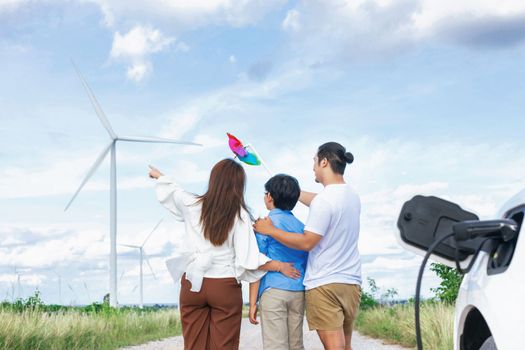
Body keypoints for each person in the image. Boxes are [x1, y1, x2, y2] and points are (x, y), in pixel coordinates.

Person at [149, 159, 300, 350]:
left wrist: (159, 176)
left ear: (213, 180)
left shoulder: (191, 204)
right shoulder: (239, 215)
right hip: (224, 286)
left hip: (192, 284)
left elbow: (174, 192)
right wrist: (279, 265)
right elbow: (249, 258)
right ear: (239, 186)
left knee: (193, 346)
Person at [254, 142, 361, 350]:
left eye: (314, 161)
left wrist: (271, 231)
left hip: (325, 283)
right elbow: (318, 200)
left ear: (324, 161)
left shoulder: (324, 201)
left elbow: (307, 242)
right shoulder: (351, 196)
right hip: (351, 282)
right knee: (345, 345)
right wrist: (288, 189)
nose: (312, 167)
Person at [248, 174, 308, 350]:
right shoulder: (301, 226)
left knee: (276, 346)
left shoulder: (264, 225)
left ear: (269, 197)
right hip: (298, 291)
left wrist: (252, 303)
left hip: (273, 290)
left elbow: (257, 263)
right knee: (296, 344)